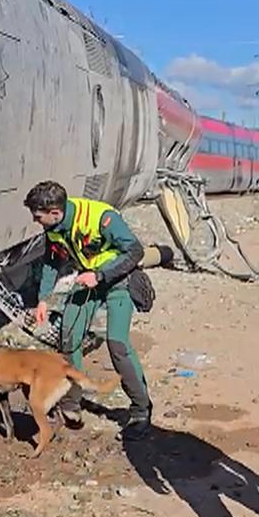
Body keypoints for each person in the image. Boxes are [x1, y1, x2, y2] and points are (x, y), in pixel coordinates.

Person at [24, 181, 153, 441]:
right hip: (87, 280)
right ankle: (70, 406)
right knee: (69, 338)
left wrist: (100, 275)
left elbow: (135, 251)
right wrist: (43, 300)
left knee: (117, 343)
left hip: (118, 279)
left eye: (38, 217)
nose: (36, 222)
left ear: (55, 212)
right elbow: (52, 261)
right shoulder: (54, 227)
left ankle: (141, 410)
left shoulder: (100, 217)